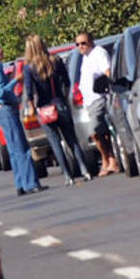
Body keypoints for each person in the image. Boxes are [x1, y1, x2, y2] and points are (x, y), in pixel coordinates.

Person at [24, 34, 92, 185]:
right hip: (60, 103)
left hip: (44, 108)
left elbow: (29, 90)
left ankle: (68, 175)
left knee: (55, 142)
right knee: (71, 139)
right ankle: (84, 169)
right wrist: (65, 98)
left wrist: (32, 106)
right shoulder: (56, 60)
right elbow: (67, 82)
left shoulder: (29, 68)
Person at [0, 39, 47, 195]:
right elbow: (1, 93)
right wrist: (16, 80)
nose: (0, 50)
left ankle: (21, 183)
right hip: (5, 109)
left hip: (1, 110)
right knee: (21, 148)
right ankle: (30, 183)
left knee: (13, 149)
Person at [76, 32, 120, 177]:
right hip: (88, 101)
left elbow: (107, 71)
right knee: (98, 133)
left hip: (99, 98)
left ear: (91, 42)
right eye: (78, 44)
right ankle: (108, 160)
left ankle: (109, 160)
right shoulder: (85, 58)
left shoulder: (99, 53)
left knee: (96, 130)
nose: (81, 46)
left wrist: (113, 86)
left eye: (83, 43)